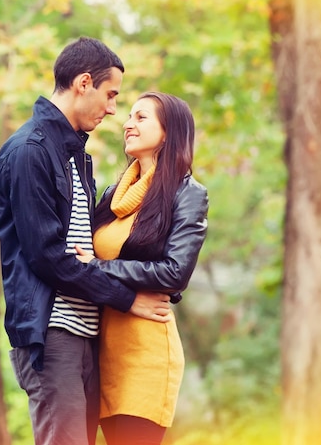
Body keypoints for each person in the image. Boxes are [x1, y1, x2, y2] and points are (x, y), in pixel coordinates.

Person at [0, 37, 172, 445]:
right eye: (110, 95)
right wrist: (129, 299)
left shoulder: (76, 156)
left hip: (85, 335)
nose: (113, 109)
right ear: (83, 83)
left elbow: (85, 250)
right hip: (52, 334)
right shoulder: (28, 151)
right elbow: (49, 258)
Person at [75, 91, 209, 445]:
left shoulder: (187, 194)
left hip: (147, 353)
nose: (127, 124)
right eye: (129, 116)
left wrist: (101, 268)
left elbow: (175, 273)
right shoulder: (112, 196)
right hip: (105, 353)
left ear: (168, 132)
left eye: (141, 117)